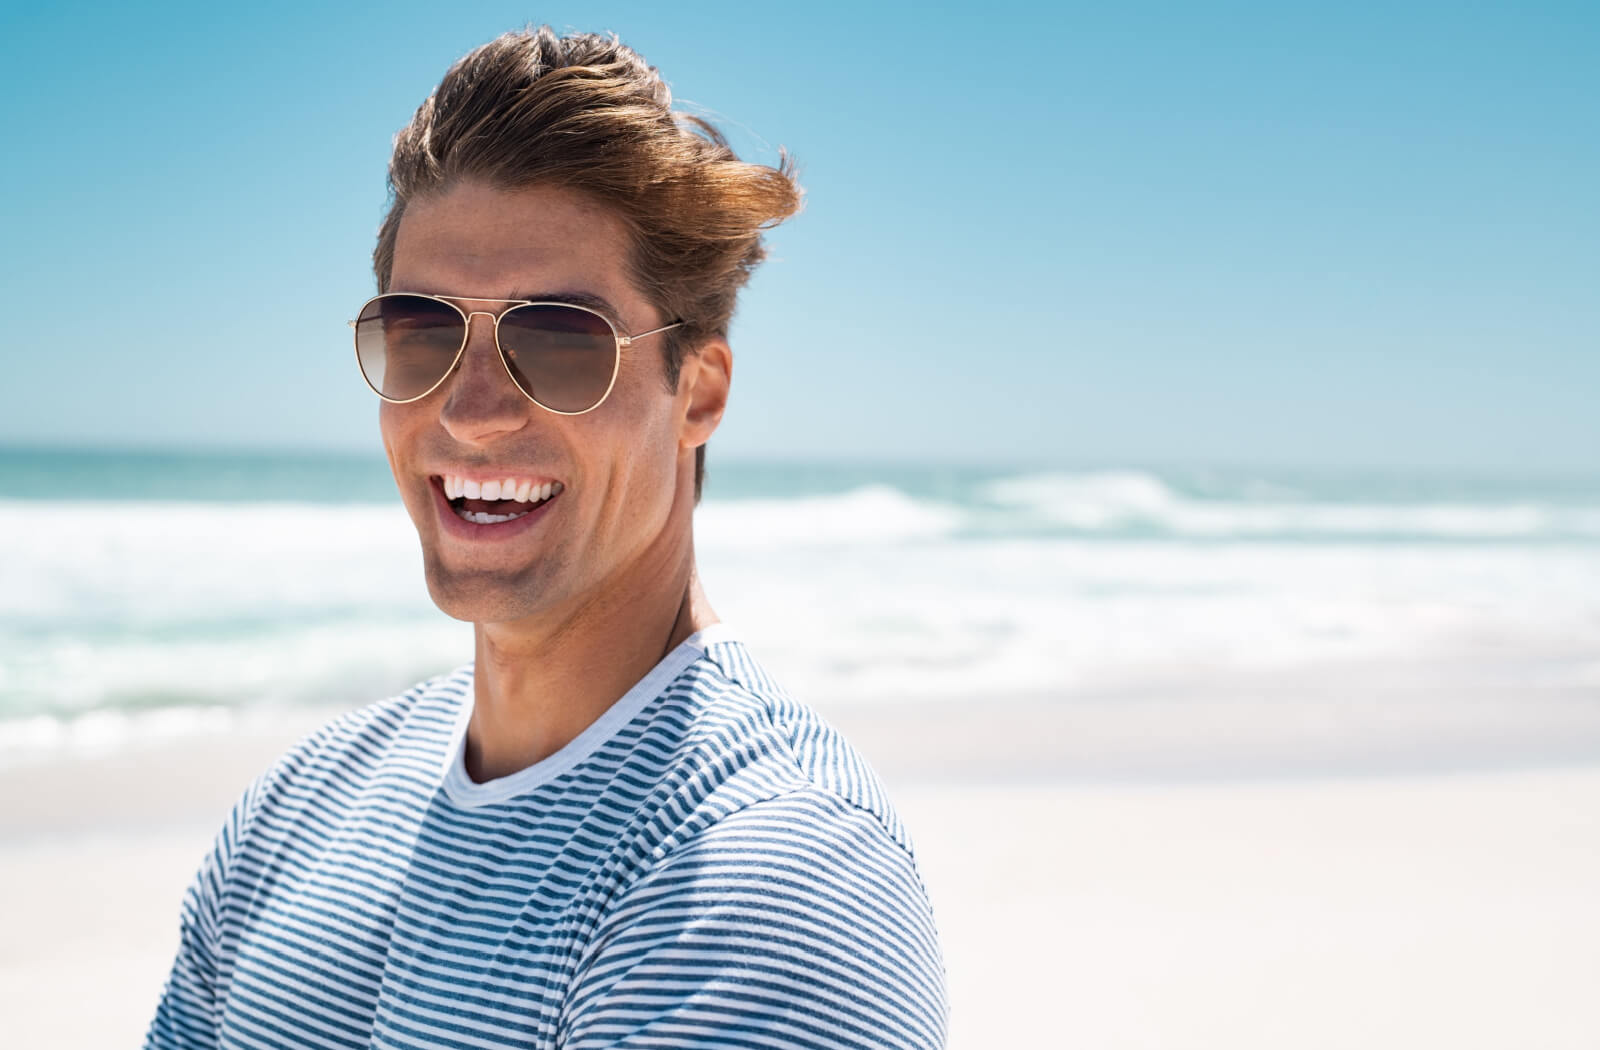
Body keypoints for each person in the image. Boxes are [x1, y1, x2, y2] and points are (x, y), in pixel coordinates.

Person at [144, 25, 947, 1050]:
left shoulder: (768, 872)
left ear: (697, 393)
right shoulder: (300, 809)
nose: (472, 412)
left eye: (560, 344)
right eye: (423, 334)